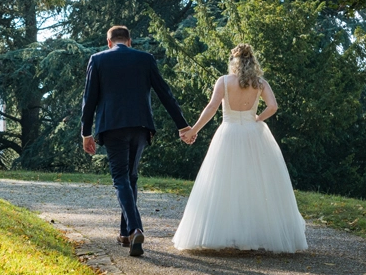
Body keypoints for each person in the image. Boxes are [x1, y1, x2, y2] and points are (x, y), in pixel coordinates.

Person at [172, 44, 307, 253]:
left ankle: (227, 235)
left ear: (233, 61)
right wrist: (257, 118)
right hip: (253, 135)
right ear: (252, 62)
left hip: (228, 133)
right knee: (255, 182)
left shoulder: (224, 82)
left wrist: (193, 130)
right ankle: (254, 234)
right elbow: (273, 106)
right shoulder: (260, 83)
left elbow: (211, 108)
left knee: (224, 182)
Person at [81, 25, 194, 257]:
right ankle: (125, 234)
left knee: (121, 177)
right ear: (129, 41)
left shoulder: (98, 59)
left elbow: (89, 98)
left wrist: (86, 132)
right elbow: (165, 93)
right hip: (141, 126)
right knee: (131, 176)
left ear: (109, 41)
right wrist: (182, 124)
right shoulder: (145, 59)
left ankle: (134, 228)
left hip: (112, 127)